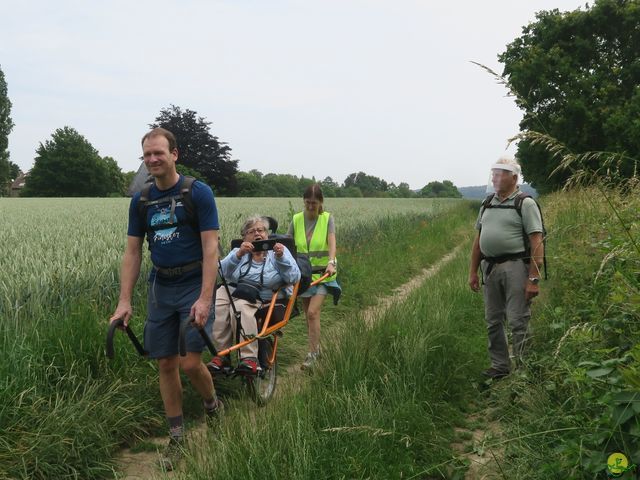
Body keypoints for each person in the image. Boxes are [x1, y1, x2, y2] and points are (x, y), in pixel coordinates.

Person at [109, 128, 221, 471]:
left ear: (175, 154)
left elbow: (210, 248)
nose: (153, 159)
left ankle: (212, 406)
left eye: (159, 153)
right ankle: (177, 437)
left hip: (193, 282)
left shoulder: (197, 193)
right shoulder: (141, 201)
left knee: (190, 363)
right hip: (161, 286)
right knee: (166, 363)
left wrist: (204, 299)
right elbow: (132, 253)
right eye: (147, 155)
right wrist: (124, 301)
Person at [468, 156, 544, 379]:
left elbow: (536, 241)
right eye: (494, 173)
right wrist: (473, 270)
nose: (495, 177)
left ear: (514, 177)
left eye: (500, 173)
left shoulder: (525, 203)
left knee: (517, 320)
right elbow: (478, 240)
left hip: (516, 267)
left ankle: (523, 370)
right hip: (490, 268)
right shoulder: (487, 203)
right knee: (493, 320)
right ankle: (499, 367)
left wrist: (533, 279)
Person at [208, 215, 301, 375]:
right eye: (251, 231)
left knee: (240, 307)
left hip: (263, 294)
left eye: (261, 230)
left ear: (267, 234)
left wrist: (281, 258)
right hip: (235, 289)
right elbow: (221, 272)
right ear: (244, 237)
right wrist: (238, 255)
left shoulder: (277, 252)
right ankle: (221, 356)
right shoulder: (239, 252)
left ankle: (249, 358)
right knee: (218, 303)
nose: (257, 234)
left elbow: (294, 277)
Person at [288, 184, 341, 370]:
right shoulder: (295, 219)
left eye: (315, 203)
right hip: (304, 276)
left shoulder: (327, 219)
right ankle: (316, 348)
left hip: (324, 274)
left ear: (321, 203)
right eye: (308, 202)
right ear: (304, 201)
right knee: (308, 316)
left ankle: (312, 355)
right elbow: (288, 245)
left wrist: (332, 262)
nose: (311, 206)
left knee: (312, 313)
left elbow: (332, 243)